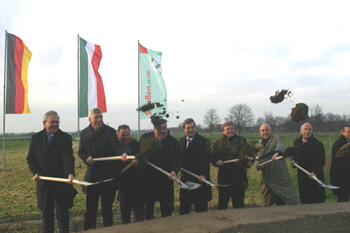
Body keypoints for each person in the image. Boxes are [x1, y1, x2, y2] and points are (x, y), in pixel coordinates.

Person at [26, 110, 77, 233]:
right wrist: (35, 172)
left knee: (62, 213)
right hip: (44, 183)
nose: (55, 124)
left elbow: (67, 157)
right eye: (52, 122)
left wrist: (70, 173)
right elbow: (31, 159)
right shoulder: (36, 138)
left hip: (60, 181)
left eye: (57, 122)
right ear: (44, 123)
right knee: (47, 214)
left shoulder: (65, 137)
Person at [78, 108, 129, 230]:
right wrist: (86, 159)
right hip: (93, 176)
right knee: (90, 209)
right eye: (96, 117)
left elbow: (117, 146)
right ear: (90, 119)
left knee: (107, 209)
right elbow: (81, 151)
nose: (100, 120)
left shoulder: (109, 132)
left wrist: (123, 153)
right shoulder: (84, 133)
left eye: (101, 117)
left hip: (108, 176)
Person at [140, 117, 180, 219]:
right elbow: (139, 153)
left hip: (165, 180)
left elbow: (176, 160)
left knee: (166, 211)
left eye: (165, 128)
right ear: (154, 129)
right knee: (147, 211)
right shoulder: (145, 138)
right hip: (148, 180)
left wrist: (174, 171)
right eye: (160, 128)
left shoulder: (173, 142)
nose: (163, 131)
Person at [255, 124, 299, 206]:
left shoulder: (276, 138)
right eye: (263, 130)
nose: (265, 132)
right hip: (266, 178)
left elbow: (280, 145)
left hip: (278, 177)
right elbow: (257, 157)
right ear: (260, 132)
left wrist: (277, 152)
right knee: (267, 203)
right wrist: (257, 164)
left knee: (283, 199)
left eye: (267, 130)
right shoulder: (259, 144)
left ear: (270, 131)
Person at [212, 122, 252, 209]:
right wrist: (217, 162)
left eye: (232, 129)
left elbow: (248, 154)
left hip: (238, 178)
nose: (230, 131)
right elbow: (213, 157)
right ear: (223, 131)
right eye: (228, 129)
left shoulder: (241, 141)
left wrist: (245, 157)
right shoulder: (218, 143)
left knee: (238, 206)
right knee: (222, 206)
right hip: (224, 179)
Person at [179, 118, 212, 214]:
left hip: (199, 180)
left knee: (201, 211)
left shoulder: (203, 141)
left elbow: (205, 160)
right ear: (184, 129)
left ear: (196, 128)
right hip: (186, 180)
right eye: (188, 128)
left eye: (193, 127)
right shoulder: (181, 141)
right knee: (184, 211)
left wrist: (203, 174)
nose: (191, 130)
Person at [117, 124, 146, 223]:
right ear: (118, 135)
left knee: (139, 215)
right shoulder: (116, 147)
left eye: (127, 135)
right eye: (123, 135)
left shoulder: (137, 145)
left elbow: (144, 161)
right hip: (123, 186)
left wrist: (138, 162)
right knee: (125, 215)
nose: (126, 138)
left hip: (137, 186)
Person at [292, 122, 326, 204]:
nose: (307, 131)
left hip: (314, 176)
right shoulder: (296, 142)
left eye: (309, 129)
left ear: (312, 131)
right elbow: (294, 155)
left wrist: (315, 172)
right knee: (305, 199)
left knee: (316, 199)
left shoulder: (318, 145)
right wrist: (294, 162)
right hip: (302, 176)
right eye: (305, 129)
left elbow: (320, 161)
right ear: (300, 131)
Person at [330, 124, 350, 202]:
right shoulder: (339, 144)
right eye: (348, 132)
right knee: (343, 199)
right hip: (341, 176)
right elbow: (340, 160)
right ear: (343, 132)